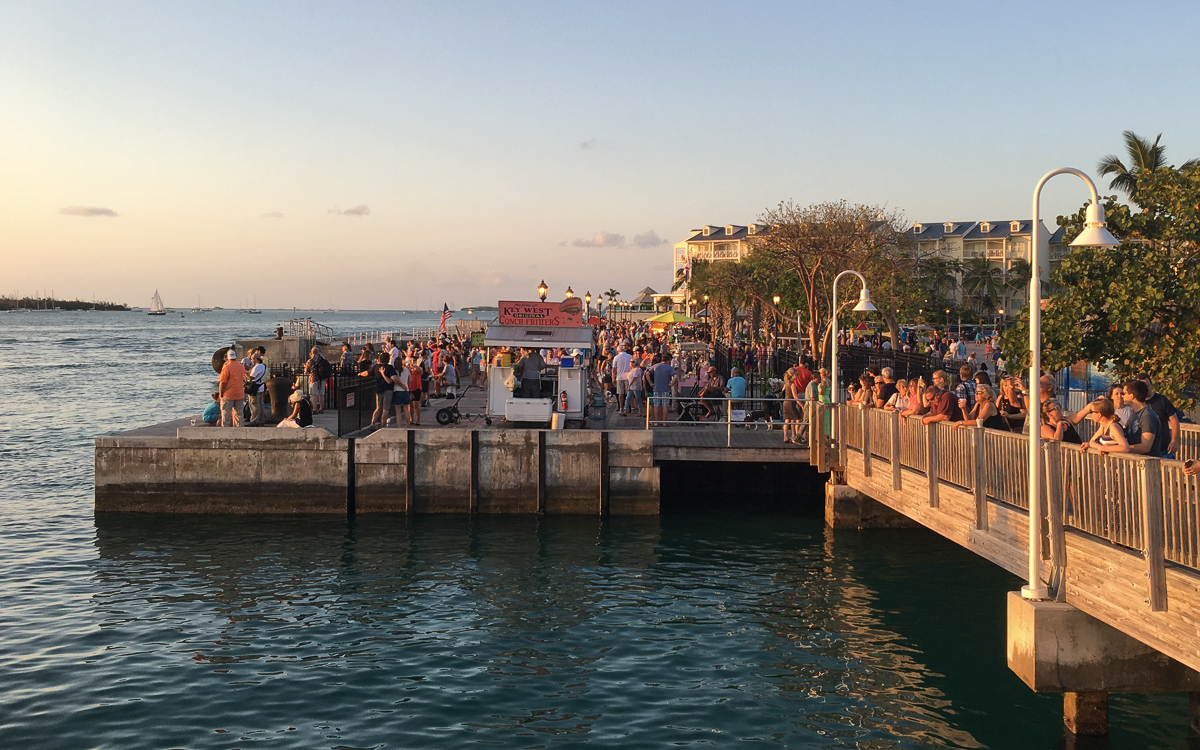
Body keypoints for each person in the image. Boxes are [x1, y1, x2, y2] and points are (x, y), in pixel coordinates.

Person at [1140, 374, 1181, 458]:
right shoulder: (1136, 403)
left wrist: (1174, 441)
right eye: (1142, 387)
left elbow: (1174, 420)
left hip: (1164, 448)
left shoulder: (1162, 400)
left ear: (1151, 385)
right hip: (1145, 450)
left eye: (1147, 385)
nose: (1145, 389)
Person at [1122, 379, 1164, 457]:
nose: (1122, 396)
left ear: (1132, 396)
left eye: (1124, 393)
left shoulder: (1148, 416)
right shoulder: (1134, 413)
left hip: (1147, 465)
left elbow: (1145, 447)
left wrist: (1119, 448)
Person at [360, 351, 397, 428]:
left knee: (378, 408)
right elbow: (393, 378)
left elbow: (367, 373)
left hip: (378, 389)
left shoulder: (376, 367)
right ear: (388, 359)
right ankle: (383, 425)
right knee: (386, 408)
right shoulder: (390, 368)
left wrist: (360, 374)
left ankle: (372, 423)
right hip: (388, 389)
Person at [218, 348, 246, 427]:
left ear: (227, 357)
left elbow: (222, 382)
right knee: (239, 414)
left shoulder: (227, 367)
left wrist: (220, 393)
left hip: (228, 394)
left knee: (226, 414)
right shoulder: (241, 366)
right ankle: (240, 430)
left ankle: (226, 432)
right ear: (235, 356)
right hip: (239, 393)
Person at [647, 354, 677, 424]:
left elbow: (647, 373)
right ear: (668, 360)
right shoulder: (669, 368)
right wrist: (671, 384)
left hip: (656, 388)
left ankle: (656, 422)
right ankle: (664, 422)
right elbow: (675, 376)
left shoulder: (655, 366)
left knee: (656, 405)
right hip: (665, 388)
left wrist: (650, 383)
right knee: (665, 405)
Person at [246, 352, 268, 426]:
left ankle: (254, 421)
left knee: (254, 405)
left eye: (252, 359)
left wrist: (245, 372)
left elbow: (251, 378)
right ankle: (261, 420)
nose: (251, 361)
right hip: (261, 387)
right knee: (261, 404)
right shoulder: (264, 366)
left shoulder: (257, 367)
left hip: (255, 389)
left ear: (255, 359)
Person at [304, 346, 328, 414]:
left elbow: (306, 371)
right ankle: (321, 408)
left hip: (313, 379)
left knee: (314, 394)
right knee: (321, 394)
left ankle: (314, 409)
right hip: (322, 378)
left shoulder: (310, 361)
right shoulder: (322, 360)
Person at [613, 346, 633, 414]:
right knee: (629, 393)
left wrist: (613, 378)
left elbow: (614, 369)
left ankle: (621, 407)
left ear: (618, 351)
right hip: (628, 377)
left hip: (620, 377)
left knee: (620, 393)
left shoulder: (616, 357)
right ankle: (630, 407)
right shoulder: (630, 356)